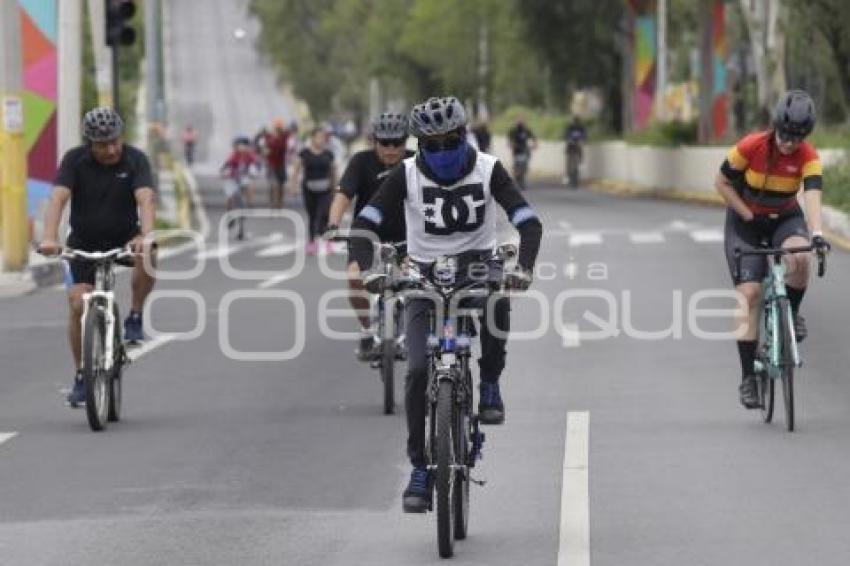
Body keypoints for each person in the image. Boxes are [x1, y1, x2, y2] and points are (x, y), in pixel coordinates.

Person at [349, 96, 543, 513]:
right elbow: (365, 222)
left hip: (476, 266)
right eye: (430, 144)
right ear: (420, 144)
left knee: (497, 298)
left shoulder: (488, 169)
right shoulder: (404, 174)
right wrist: (370, 270)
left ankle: (489, 383)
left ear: (462, 135)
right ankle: (420, 467)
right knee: (418, 369)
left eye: (448, 141)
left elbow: (527, 220)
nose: (440, 151)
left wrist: (522, 267)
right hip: (422, 273)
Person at [714, 89, 831, 409]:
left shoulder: (808, 156)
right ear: (775, 125)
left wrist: (817, 233)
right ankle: (748, 378)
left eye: (797, 138)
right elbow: (721, 183)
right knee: (749, 294)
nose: (789, 143)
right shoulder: (751, 146)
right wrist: (746, 213)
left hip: (784, 217)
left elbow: (812, 196)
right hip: (745, 219)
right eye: (784, 135)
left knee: (801, 255)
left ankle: (791, 315)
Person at [38, 107, 157, 407]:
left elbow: (146, 198)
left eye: (116, 141)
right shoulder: (74, 160)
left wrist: (146, 234)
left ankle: (135, 315)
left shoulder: (135, 159)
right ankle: (82, 375)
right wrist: (50, 237)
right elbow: (58, 198)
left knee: (150, 252)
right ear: (90, 143)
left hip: (124, 239)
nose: (112, 149)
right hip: (83, 244)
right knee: (78, 304)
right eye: (103, 144)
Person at [325, 112, 414, 360]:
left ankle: (409, 332)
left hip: (408, 236)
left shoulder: (415, 163)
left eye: (398, 142)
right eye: (385, 142)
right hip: (367, 235)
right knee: (355, 278)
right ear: (374, 141)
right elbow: (344, 196)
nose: (391, 149)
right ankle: (367, 330)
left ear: (405, 142)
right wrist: (333, 223)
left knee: (414, 282)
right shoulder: (360, 162)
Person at [288, 127, 337, 255]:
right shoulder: (304, 153)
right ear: (313, 138)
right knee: (312, 215)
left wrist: (336, 187)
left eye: (323, 137)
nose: (321, 140)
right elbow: (296, 171)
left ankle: (327, 241)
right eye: (318, 137)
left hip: (326, 189)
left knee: (323, 214)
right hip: (309, 188)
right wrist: (293, 186)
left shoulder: (328, 154)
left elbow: (333, 172)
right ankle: (311, 242)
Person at [220, 136, 261, 240]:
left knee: (250, 187)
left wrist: (255, 171)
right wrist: (225, 172)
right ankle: (230, 215)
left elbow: (257, 164)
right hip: (232, 179)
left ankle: (249, 205)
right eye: (240, 145)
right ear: (236, 147)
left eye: (245, 145)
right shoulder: (233, 156)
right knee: (231, 197)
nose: (243, 148)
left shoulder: (250, 155)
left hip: (244, 179)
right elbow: (225, 166)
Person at [256, 118, 291, 208]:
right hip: (271, 164)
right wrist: (264, 151)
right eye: (276, 128)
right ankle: (272, 202)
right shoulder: (269, 137)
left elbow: (289, 134)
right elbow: (260, 145)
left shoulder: (284, 137)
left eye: (279, 128)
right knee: (273, 184)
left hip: (280, 164)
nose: (278, 130)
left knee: (281, 185)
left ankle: (280, 203)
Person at [508, 116, 537, 190]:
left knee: (524, 167)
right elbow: (510, 141)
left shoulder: (527, 130)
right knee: (517, 167)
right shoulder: (513, 130)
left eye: (523, 121)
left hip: (525, 150)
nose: (521, 123)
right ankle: (516, 180)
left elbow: (534, 138)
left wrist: (535, 144)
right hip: (517, 151)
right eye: (520, 121)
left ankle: (521, 180)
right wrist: (512, 145)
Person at [564, 116, 587, 186]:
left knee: (580, 157)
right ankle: (568, 175)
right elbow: (566, 135)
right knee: (569, 161)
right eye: (575, 122)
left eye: (577, 122)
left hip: (578, 146)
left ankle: (579, 167)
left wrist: (583, 141)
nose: (576, 123)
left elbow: (585, 136)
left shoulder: (581, 128)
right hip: (570, 146)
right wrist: (569, 140)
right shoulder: (570, 127)